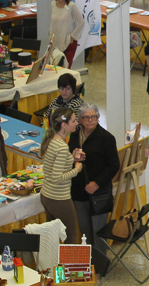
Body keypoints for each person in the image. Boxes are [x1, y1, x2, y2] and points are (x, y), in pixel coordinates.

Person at [68, 104, 120, 245]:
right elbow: (69, 154)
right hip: (79, 191)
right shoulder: (74, 135)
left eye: (93, 117)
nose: (90, 120)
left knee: (98, 234)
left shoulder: (106, 138)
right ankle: (88, 265)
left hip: (99, 193)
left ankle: (99, 266)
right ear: (80, 119)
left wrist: (96, 183)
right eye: (86, 117)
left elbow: (114, 165)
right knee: (85, 232)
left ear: (98, 118)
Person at [40, 107, 82, 243]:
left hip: (46, 195)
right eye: (74, 121)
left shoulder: (52, 140)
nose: (77, 123)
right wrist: (77, 169)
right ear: (64, 125)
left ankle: (53, 264)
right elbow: (57, 178)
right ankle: (68, 264)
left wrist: (71, 156)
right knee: (71, 236)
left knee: (51, 237)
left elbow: (52, 168)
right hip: (59, 198)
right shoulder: (62, 147)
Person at [50, 0, 86, 66]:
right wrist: (50, 30)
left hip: (68, 42)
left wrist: (72, 36)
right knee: (55, 67)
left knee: (66, 68)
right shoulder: (53, 4)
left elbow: (81, 22)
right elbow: (53, 20)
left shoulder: (71, 6)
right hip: (56, 41)